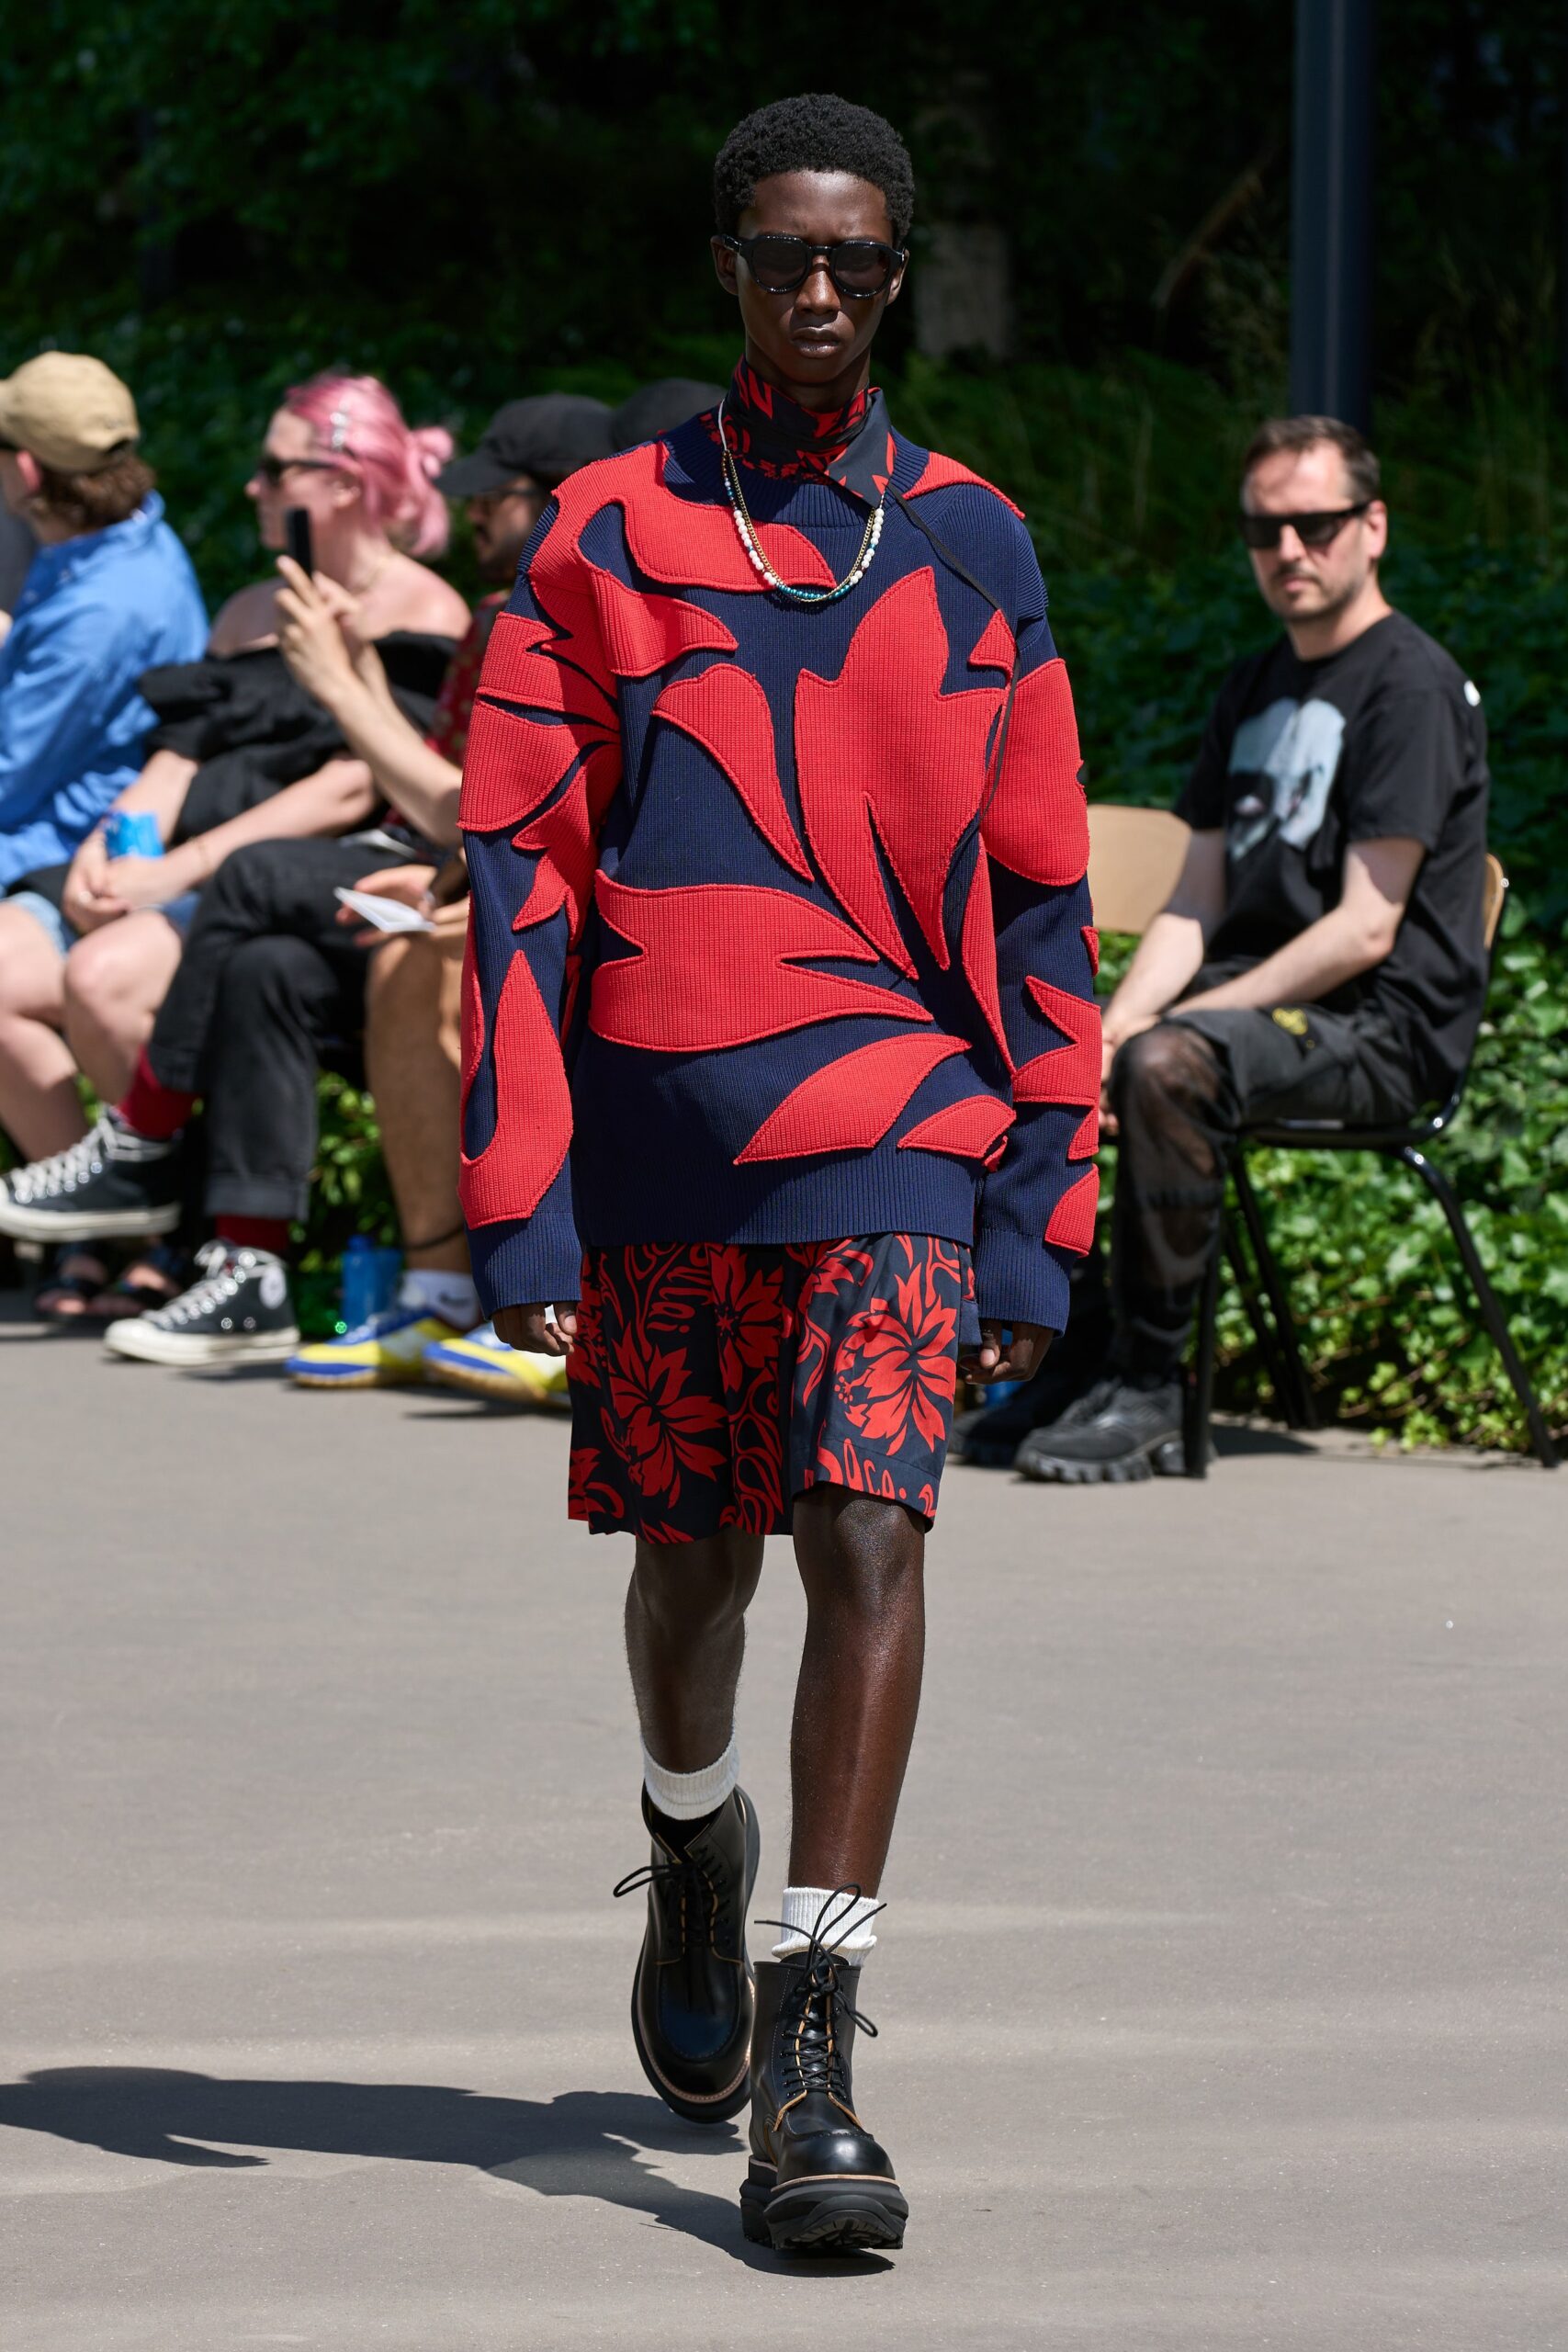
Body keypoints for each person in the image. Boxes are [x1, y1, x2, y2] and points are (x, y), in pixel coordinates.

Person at [457, 95, 1098, 2254]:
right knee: (689, 1564)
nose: (818, 292)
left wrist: (1039, 1189)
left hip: (906, 1123)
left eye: (856, 262)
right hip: (661, 1134)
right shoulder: (602, 540)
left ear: (893, 277)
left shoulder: (976, 542)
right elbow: (518, 868)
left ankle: (812, 2045)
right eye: (780, 257)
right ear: (723, 266)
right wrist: (518, 1182)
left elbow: (1032, 898)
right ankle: (690, 1835)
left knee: (864, 1526)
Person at [0, 397, 614, 1372]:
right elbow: (447, 789)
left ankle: (143, 1150)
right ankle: (270, 1273)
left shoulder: (531, 622)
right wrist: (129, 842)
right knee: (267, 968)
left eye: (495, 499)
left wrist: (337, 685)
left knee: (245, 884)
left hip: (467, 885)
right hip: (409, 875)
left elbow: (457, 807)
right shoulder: (491, 616)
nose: (476, 521)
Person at [1004, 413, 1489, 1483]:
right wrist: (1117, 1019)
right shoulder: (1254, 685)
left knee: (1169, 1067)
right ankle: (1075, 1354)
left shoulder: (1409, 688)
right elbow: (1192, 900)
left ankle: (1151, 1388)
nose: (1289, 553)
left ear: (1374, 528)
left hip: (1381, 1028)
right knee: (1073, 1046)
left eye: (1316, 526)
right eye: (1266, 530)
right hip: (1258, 1009)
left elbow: (1368, 925)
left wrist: (1169, 1028)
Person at [0, 353, 207, 1153]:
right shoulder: (128, 532)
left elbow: (9, 780)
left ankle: (88, 1217)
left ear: (26, 470)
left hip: (63, 849)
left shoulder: (103, 609)